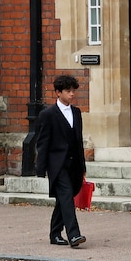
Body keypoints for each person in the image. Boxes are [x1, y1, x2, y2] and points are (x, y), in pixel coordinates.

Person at [35, 74, 87, 248]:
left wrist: (83, 166)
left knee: (64, 199)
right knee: (66, 197)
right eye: (68, 91)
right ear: (57, 92)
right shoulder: (47, 114)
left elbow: (78, 141)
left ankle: (55, 233)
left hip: (74, 165)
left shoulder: (76, 112)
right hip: (57, 164)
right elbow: (42, 143)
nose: (72, 94)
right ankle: (74, 235)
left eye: (73, 91)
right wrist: (40, 169)